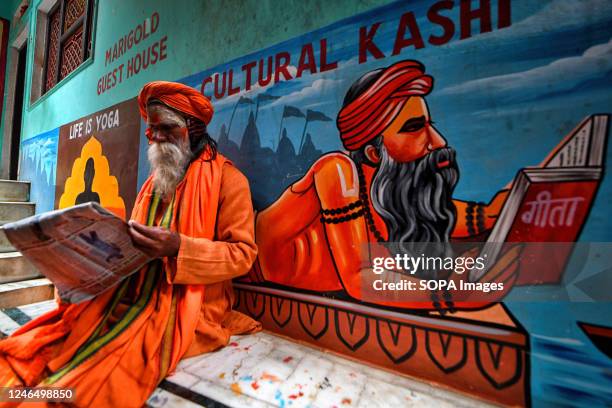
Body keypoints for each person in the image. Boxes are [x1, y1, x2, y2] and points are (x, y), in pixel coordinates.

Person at [0, 81, 260, 407]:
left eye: (168, 129)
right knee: (75, 326)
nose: (159, 138)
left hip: (191, 306)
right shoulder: (154, 183)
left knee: (115, 355)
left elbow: (242, 255)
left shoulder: (229, 181)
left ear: (193, 128)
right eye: (152, 132)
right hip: (136, 291)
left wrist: (179, 246)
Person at [252, 60, 519, 311]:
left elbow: (445, 214)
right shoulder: (337, 171)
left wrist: (503, 208)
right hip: (246, 265)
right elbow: (359, 278)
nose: (438, 142)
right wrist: (447, 294)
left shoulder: (395, 194)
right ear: (374, 154)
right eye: (415, 128)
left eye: (430, 125)